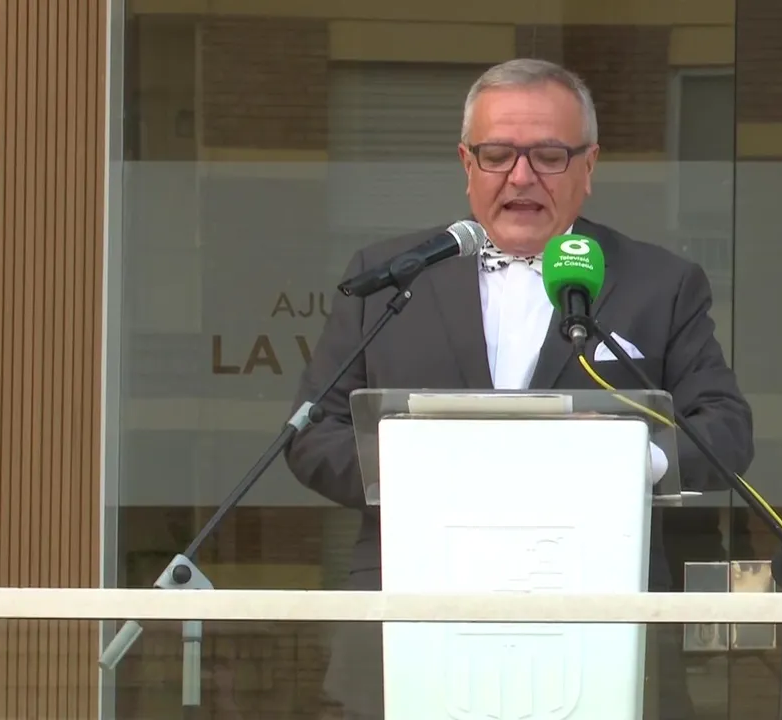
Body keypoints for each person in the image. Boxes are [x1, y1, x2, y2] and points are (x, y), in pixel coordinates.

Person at [286, 57, 755, 720]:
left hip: (598, 625)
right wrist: (421, 465)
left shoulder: (659, 284)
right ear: (467, 163)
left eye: (549, 155)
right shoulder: (390, 278)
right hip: (413, 619)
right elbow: (313, 437)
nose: (522, 176)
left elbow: (726, 430)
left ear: (589, 166)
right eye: (498, 154)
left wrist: (624, 462)